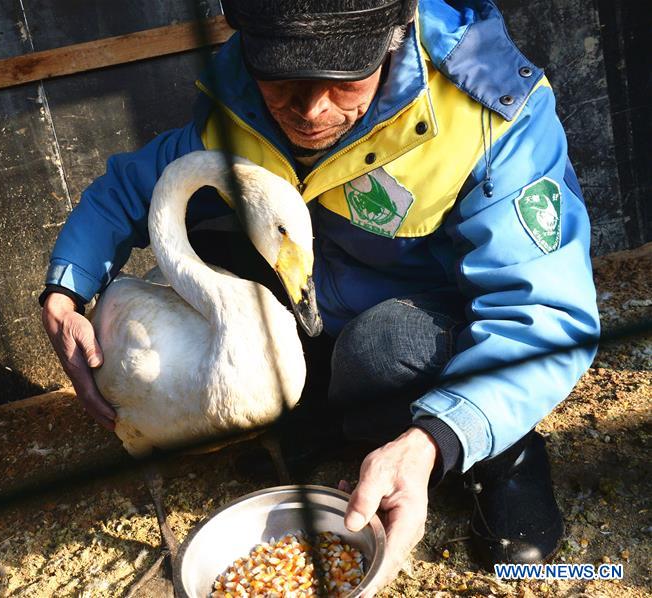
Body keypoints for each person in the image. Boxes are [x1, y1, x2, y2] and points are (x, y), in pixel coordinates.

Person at [40, 0, 600, 592]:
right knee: (233, 289)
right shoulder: (239, 100)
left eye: (339, 79)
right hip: (313, 309)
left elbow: (542, 314)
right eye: (283, 77)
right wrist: (65, 288)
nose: (309, 110)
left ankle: (491, 442)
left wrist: (438, 438)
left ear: (393, 36)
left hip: (425, 330)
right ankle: (340, 422)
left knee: (380, 349)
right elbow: (133, 187)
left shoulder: (490, 116)